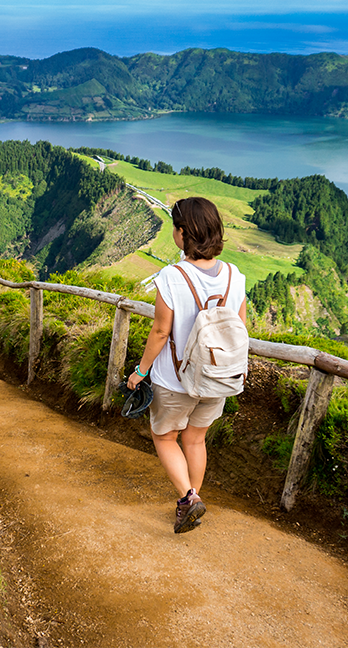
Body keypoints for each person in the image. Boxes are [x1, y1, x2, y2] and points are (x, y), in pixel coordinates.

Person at [126, 196, 247, 534]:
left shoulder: (171, 277)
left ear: (183, 233)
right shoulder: (235, 276)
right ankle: (192, 499)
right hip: (218, 378)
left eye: (174, 228)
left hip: (175, 380)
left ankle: (189, 500)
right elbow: (240, 330)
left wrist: (140, 371)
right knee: (195, 440)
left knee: (164, 437)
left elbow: (161, 331)